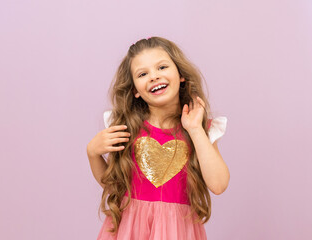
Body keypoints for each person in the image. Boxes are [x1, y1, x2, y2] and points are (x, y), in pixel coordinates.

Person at [86, 36, 230, 240]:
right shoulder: (125, 126)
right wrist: (93, 154)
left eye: (162, 67)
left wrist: (196, 130)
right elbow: (113, 187)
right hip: (130, 231)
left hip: (177, 232)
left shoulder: (201, 128)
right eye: (143, 73)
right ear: (135, 90)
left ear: (180, 75)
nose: (153, 76)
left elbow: (218, 184)